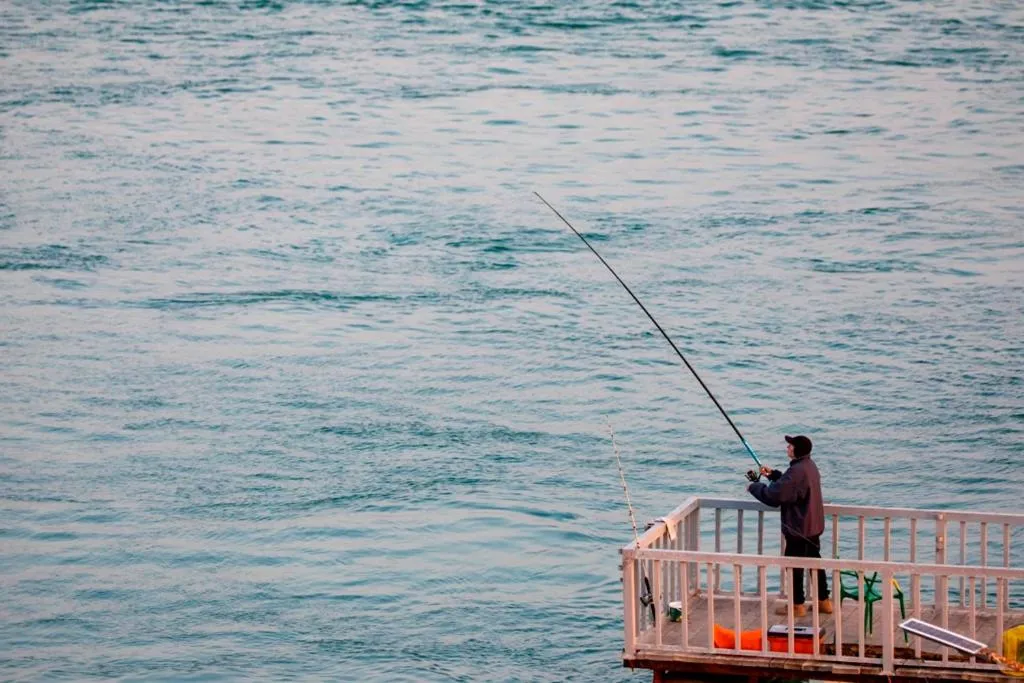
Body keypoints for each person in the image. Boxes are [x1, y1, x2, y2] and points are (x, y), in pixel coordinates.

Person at [745, 435, 832, 617]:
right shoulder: (809, 466)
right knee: (815, 562)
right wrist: (774, 474)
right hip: (813, 526)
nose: (787, 447)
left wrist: (754, 487)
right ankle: (824, 601)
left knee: (793, 565)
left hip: (799, 528)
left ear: (796, 450)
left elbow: (773, 497)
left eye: (790, 446)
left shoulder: (797, 472)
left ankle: (797, 606)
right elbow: (791, 486)